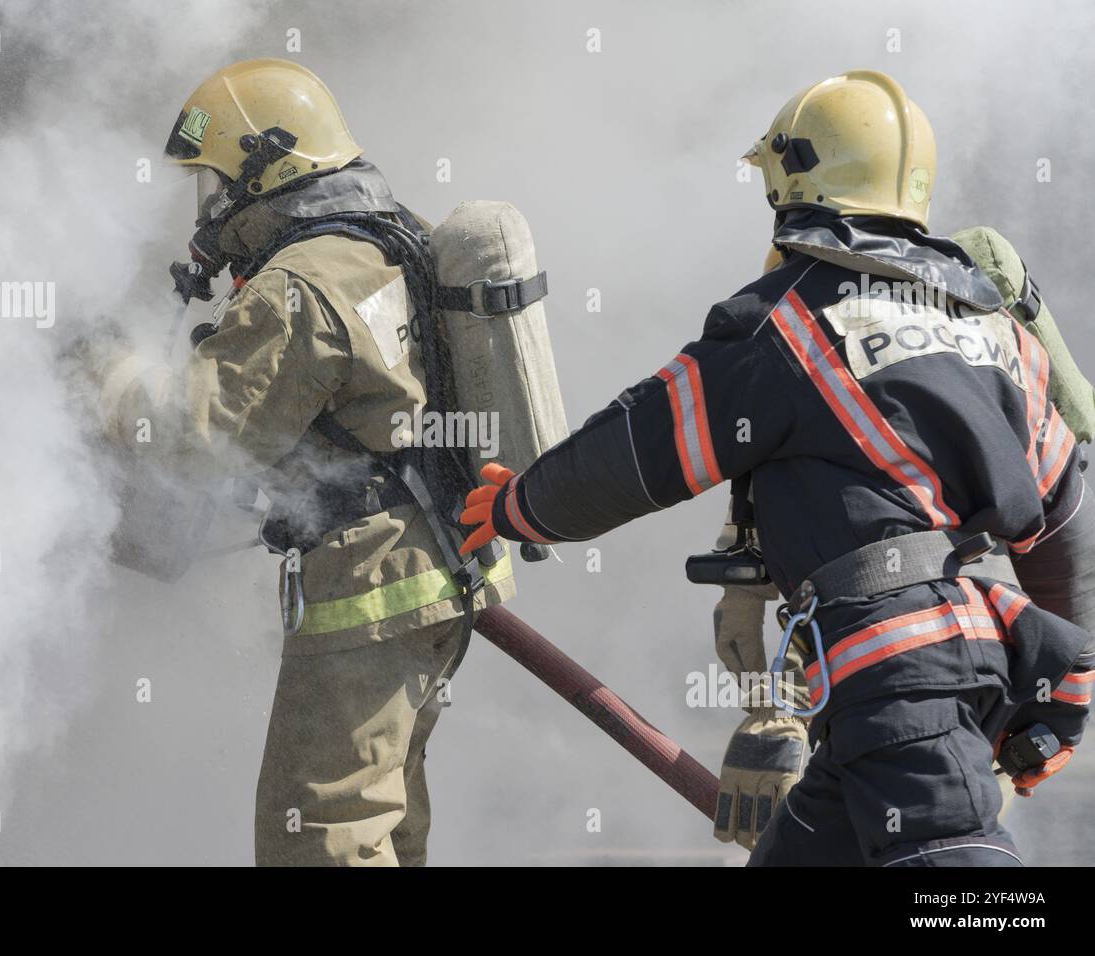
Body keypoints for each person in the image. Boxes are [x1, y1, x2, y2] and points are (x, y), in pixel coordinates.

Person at [458, 69, 1095, 866]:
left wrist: (520, 508)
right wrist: (1058, 695)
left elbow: (636, 451)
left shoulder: (785, 324)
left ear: (797, 184)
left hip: (899, 684)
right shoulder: (992, 334)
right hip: (937, 669)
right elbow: (1066, 525)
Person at [93, 58, 513, 866]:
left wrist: (108, 379)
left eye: (215, 181)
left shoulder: (298, 286)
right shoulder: (391, 235)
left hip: (372, 592)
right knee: (386, 820)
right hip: (442, 573)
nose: (208, 206)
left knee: (319, 837)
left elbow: (197, 439)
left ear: (266, 168)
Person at [709, 226, 1095, 852]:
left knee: (951, 852)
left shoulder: (941, 310)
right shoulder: (802, 344)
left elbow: (1064, 536)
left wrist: (1054, 701)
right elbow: (775, 553)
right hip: (921, 650)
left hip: (960, 629)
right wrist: (773, 711)